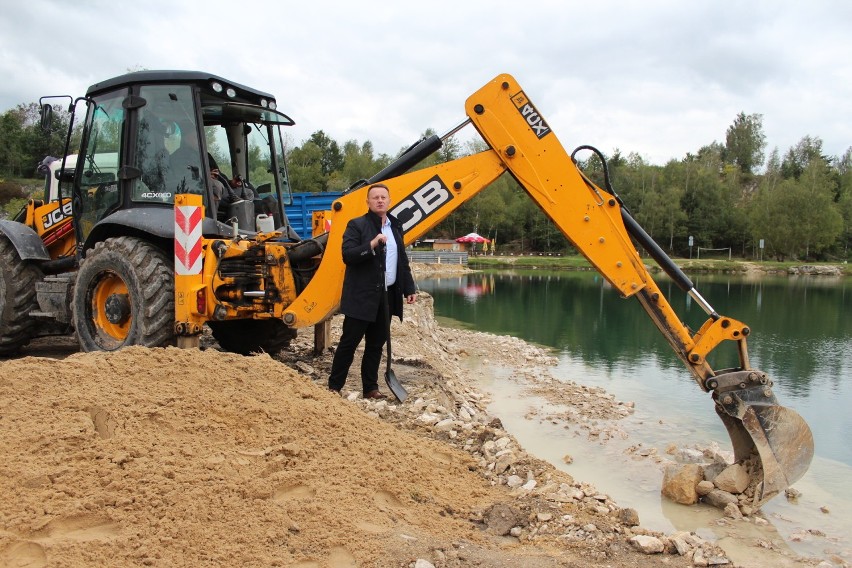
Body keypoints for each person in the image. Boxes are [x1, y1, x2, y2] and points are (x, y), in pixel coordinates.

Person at [328, 183, 417, 399]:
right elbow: (348, 255)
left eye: (383, 197)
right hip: (361, 296)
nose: (379, 200)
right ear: (367, 202)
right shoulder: (356, 225)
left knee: (376, 345)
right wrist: (372, 244)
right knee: (349, 343)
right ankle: (334, 387)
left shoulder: (396, 226)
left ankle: (370, 388)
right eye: (375, 197)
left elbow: (401, 260)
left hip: (386, 297)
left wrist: (408, 287)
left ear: (389, 201)